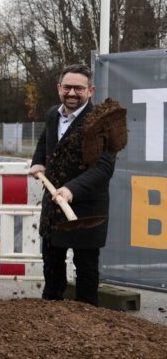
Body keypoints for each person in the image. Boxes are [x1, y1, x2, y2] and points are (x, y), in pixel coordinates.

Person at [28, 63, 116, 306]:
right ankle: (50, 312)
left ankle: (87, 318)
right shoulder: (52, 115)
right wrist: (38, 162)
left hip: (86, 208)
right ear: (59, 88)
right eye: (67, 87)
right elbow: (45, 140)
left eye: (79, 88)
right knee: (52, 266)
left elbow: (104, 168)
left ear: (91, 90)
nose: (72, 93)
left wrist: (71, 190)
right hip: (53, 206)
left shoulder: (103, 123)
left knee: (86, 269)